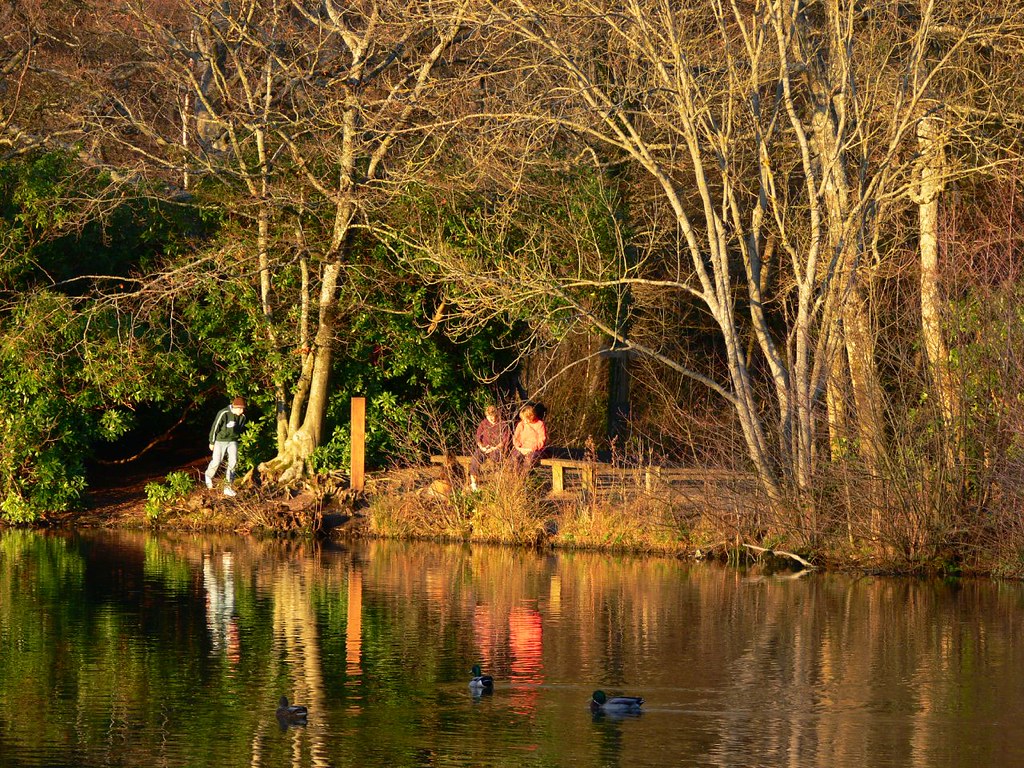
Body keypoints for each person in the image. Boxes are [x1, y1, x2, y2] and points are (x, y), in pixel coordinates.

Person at [205, 396, 247, 496]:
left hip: (233, 441)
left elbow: (239, 429)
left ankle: (228, 487)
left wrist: (235, 438)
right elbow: (215, 427)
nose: (241, 411)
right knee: (216, 461)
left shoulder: (242, 417)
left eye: (243, 409)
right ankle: (208, 477)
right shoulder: (224, 413)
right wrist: (212, 442)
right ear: (234, 407)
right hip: (220, 441)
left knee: (233, 462)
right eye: (240, 409)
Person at [468, 404, 510, 491]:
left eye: (494, 416)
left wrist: (494, 448)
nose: (493, 418)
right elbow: (478, 437)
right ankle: (474, 483)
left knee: (496, 459)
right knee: (475, 458)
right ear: (487, 416)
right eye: (490, 417)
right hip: (484, 448)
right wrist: (481, 447)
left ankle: (496, 484)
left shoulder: (503, 424)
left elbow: (505, 440)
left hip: (497, 448)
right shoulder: (483, 424)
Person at [511, 404, 547, 473]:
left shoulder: (539, 424)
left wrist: (532, 449)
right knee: (515, 457)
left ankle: (524, 476)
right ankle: (515, 476)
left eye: (525, 418)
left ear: (531, 416)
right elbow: (516, 437)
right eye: (523, 418)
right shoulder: (521, 424)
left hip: (534, 450)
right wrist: (518, 447)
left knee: (529, 460)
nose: (524, 420)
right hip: (521, 448)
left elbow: (542, 439)